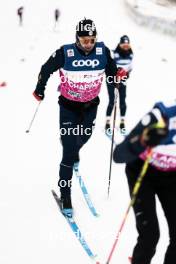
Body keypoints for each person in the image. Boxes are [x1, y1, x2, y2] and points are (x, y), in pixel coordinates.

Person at [33, 18, 126, 217]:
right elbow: (45, 69)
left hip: (91, 105)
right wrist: (39, 90)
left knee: (85, 136)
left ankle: (74, 148)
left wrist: (117, 74)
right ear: (77, 38)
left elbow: (111, 71)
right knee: (68, 153)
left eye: (92, 41)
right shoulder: (65, 53)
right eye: (85, 41)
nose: (88, 45)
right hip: (68, 106)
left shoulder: (102, 52)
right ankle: (65, 193)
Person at [113, 100, 176, 264]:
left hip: (171, 177)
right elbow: (119, 154)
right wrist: (143, 141)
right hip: (142, 171)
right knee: (150, 236)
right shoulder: (162, 116)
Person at [105, 35, 133, 134]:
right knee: (112, 101)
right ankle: (108, 122)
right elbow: (108, 67)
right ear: (120, 44)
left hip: (122, 80)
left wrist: (126, 75)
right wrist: (115, 75)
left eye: (127, 45)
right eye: (123, 45)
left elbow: (130, 68)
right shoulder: (113, 54)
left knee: (123, 102)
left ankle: (122, 122)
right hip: (112, 80)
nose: (126, 47)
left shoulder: (130, 55)